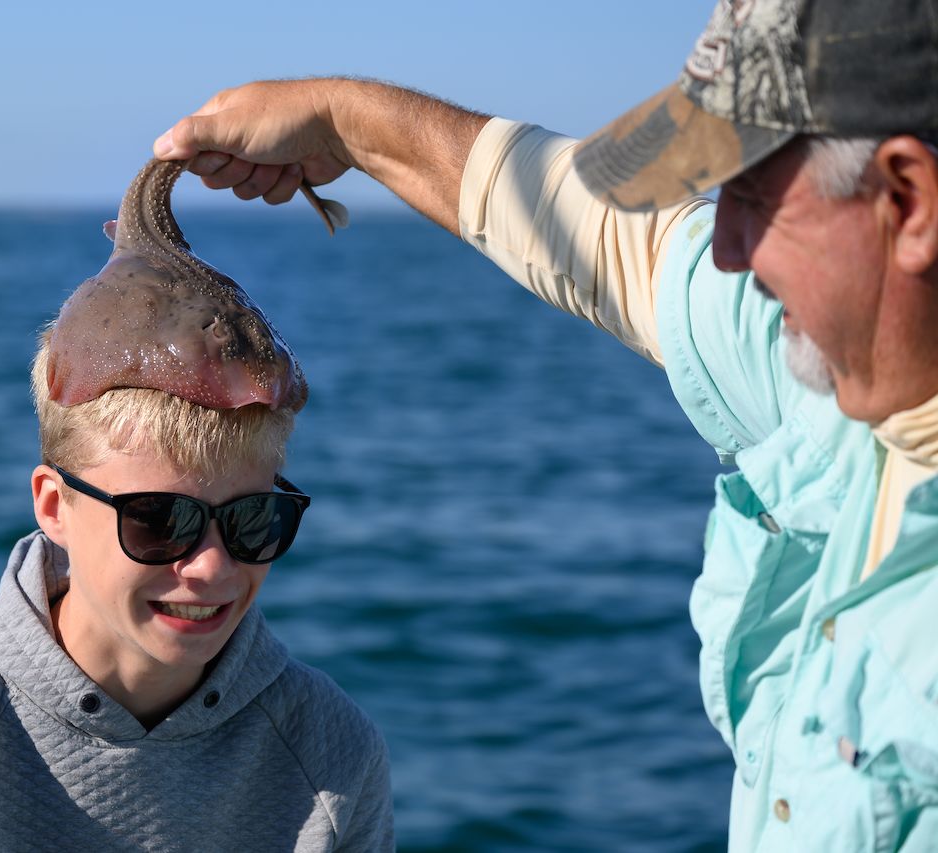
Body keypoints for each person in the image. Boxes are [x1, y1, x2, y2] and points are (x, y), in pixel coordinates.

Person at [151, 0, 938, 849]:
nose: (726, 251)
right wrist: (342, 122)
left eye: (748, 195)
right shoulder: (833, 371)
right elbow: (597, 235)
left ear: (907, 199)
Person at [0, 332, 394, 851]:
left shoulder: (334, 750)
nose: (213, 567)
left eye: (253, 519)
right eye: (161, 521)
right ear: (53, 506)